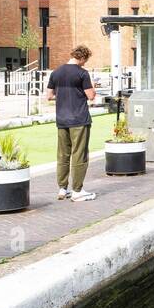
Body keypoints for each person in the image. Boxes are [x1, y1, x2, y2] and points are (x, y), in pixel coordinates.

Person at [45, 45, 98, 203]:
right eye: (85, 60)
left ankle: (62, 188)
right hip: (79, 119)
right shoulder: (82, 73)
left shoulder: (56, 72)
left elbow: (48, 96)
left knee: (63, 154)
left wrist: (64, 97)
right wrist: (92, 86)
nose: (85, 63)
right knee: (79, 154)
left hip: (61, 119)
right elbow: (91, 96)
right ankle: (77, 191)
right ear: (82, 57)